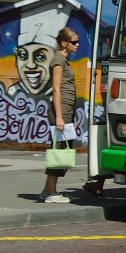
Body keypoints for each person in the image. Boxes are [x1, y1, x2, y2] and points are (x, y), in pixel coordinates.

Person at [40, 27, 78, 203]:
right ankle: (51, 193)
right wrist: (60, 117)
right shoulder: (58, 60)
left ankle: (47, 190)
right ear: (64, 43)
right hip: (60, 110)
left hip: (66, 110)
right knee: (59, 150)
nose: (77, 45)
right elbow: (56, 89)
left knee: (61, 149)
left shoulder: (64, 60)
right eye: (74, 42)